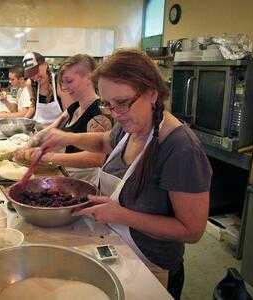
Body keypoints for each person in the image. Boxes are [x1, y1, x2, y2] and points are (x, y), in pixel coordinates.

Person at [34, 49, 212, 299]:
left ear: (152, 93)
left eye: (122, 103)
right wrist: (64, 137)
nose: (115, 113)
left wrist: (122, 215)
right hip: (115, 248)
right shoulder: (131, 125)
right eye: (108, 104)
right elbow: (104, 141)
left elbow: (192, 230)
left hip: (152, 266)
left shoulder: (180, 148)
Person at [15, 54, 112, 183]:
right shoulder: (74, 108)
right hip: (69, 176)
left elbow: (96, 158)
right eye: (63, 82)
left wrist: (50, 157)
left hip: (85, 181)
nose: (65, 87)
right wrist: (29, 145)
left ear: (89, 78)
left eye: (69, 81)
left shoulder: (98, 113)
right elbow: (50, 130)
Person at [22, 52, 63, 124]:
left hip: (59, 130)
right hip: (39, 128)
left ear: (45, 65)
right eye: (31, 74)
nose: (35, 77)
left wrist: (51, 129)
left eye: (36, 71)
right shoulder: (31, 84)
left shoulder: (59, 81)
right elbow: (33, 107)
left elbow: (68, 112)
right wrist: (22, 121)